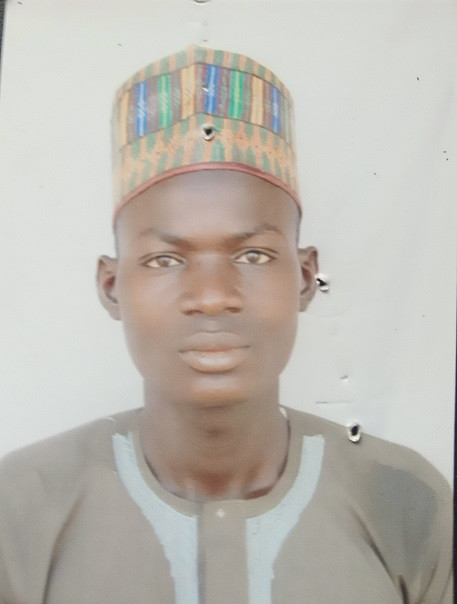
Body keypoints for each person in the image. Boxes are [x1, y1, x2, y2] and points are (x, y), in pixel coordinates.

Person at [0, 45, 452, 604]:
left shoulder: (406, 503)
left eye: (253, 255)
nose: (212, 297)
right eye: (166, 260)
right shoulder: (22, 508)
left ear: (305, 278)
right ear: (112, 286)